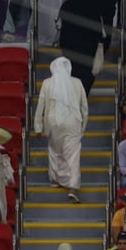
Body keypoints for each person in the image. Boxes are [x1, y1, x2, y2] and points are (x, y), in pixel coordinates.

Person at [34, 57, 87, 203]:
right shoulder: (77, 82)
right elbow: (84, 108)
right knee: (73, 155)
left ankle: (55, 179)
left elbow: (40, 106)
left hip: (54, 122)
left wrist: (38, 127)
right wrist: (82, 127)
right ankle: (73, 187)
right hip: (73, 122)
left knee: (55, 151)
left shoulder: (47, 83)